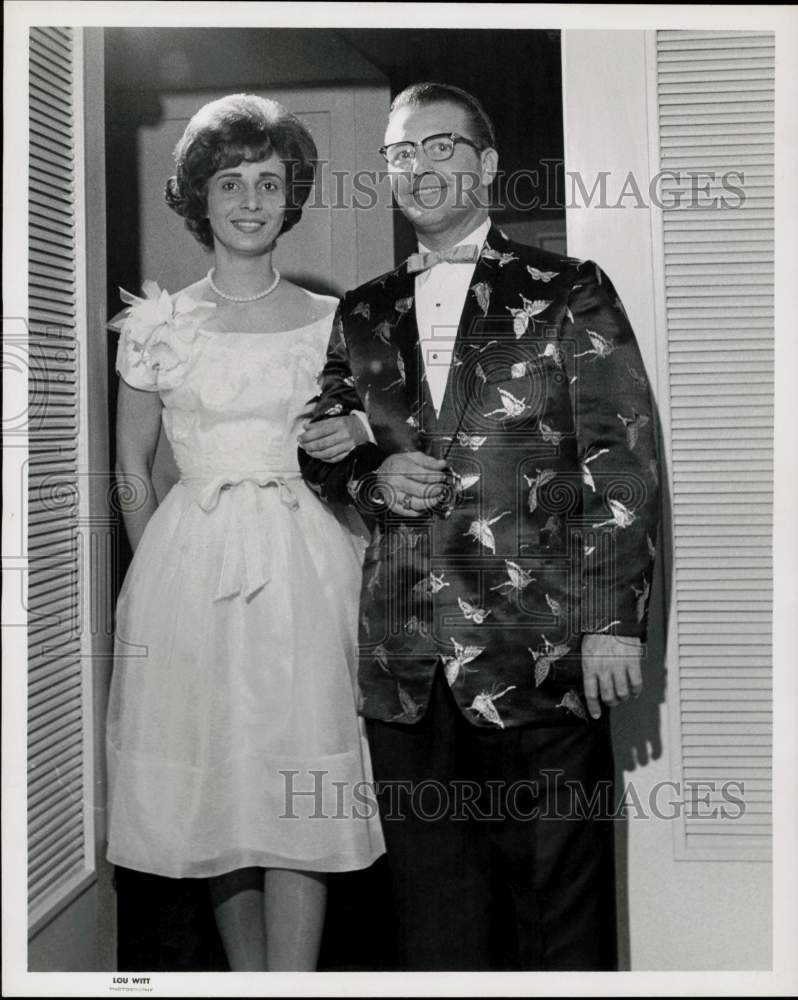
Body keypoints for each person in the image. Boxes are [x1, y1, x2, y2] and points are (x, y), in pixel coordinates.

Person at [299, 82, 660, 971]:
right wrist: (372, 475)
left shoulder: (567, 288)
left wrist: (613, 621)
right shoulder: (365, 309)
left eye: (439, 147)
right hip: (406, 659)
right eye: (398, 154)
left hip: (538, 648)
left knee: (557, 912)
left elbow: (621, 460)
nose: (416, 169)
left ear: (487, 165)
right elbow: (318, 441)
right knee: (435, 919)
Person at [106, 93, 384, 972]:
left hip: (305, 563)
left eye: (270, 182)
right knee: (222, 782)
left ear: (291, 195)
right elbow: (132, 471)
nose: (252, 201)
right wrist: (157, 579)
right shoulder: (158, 324)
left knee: (295, 774)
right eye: (232, 182)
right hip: (189, 566)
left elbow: (350, 459)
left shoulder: (331, 321)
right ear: (200, 198)